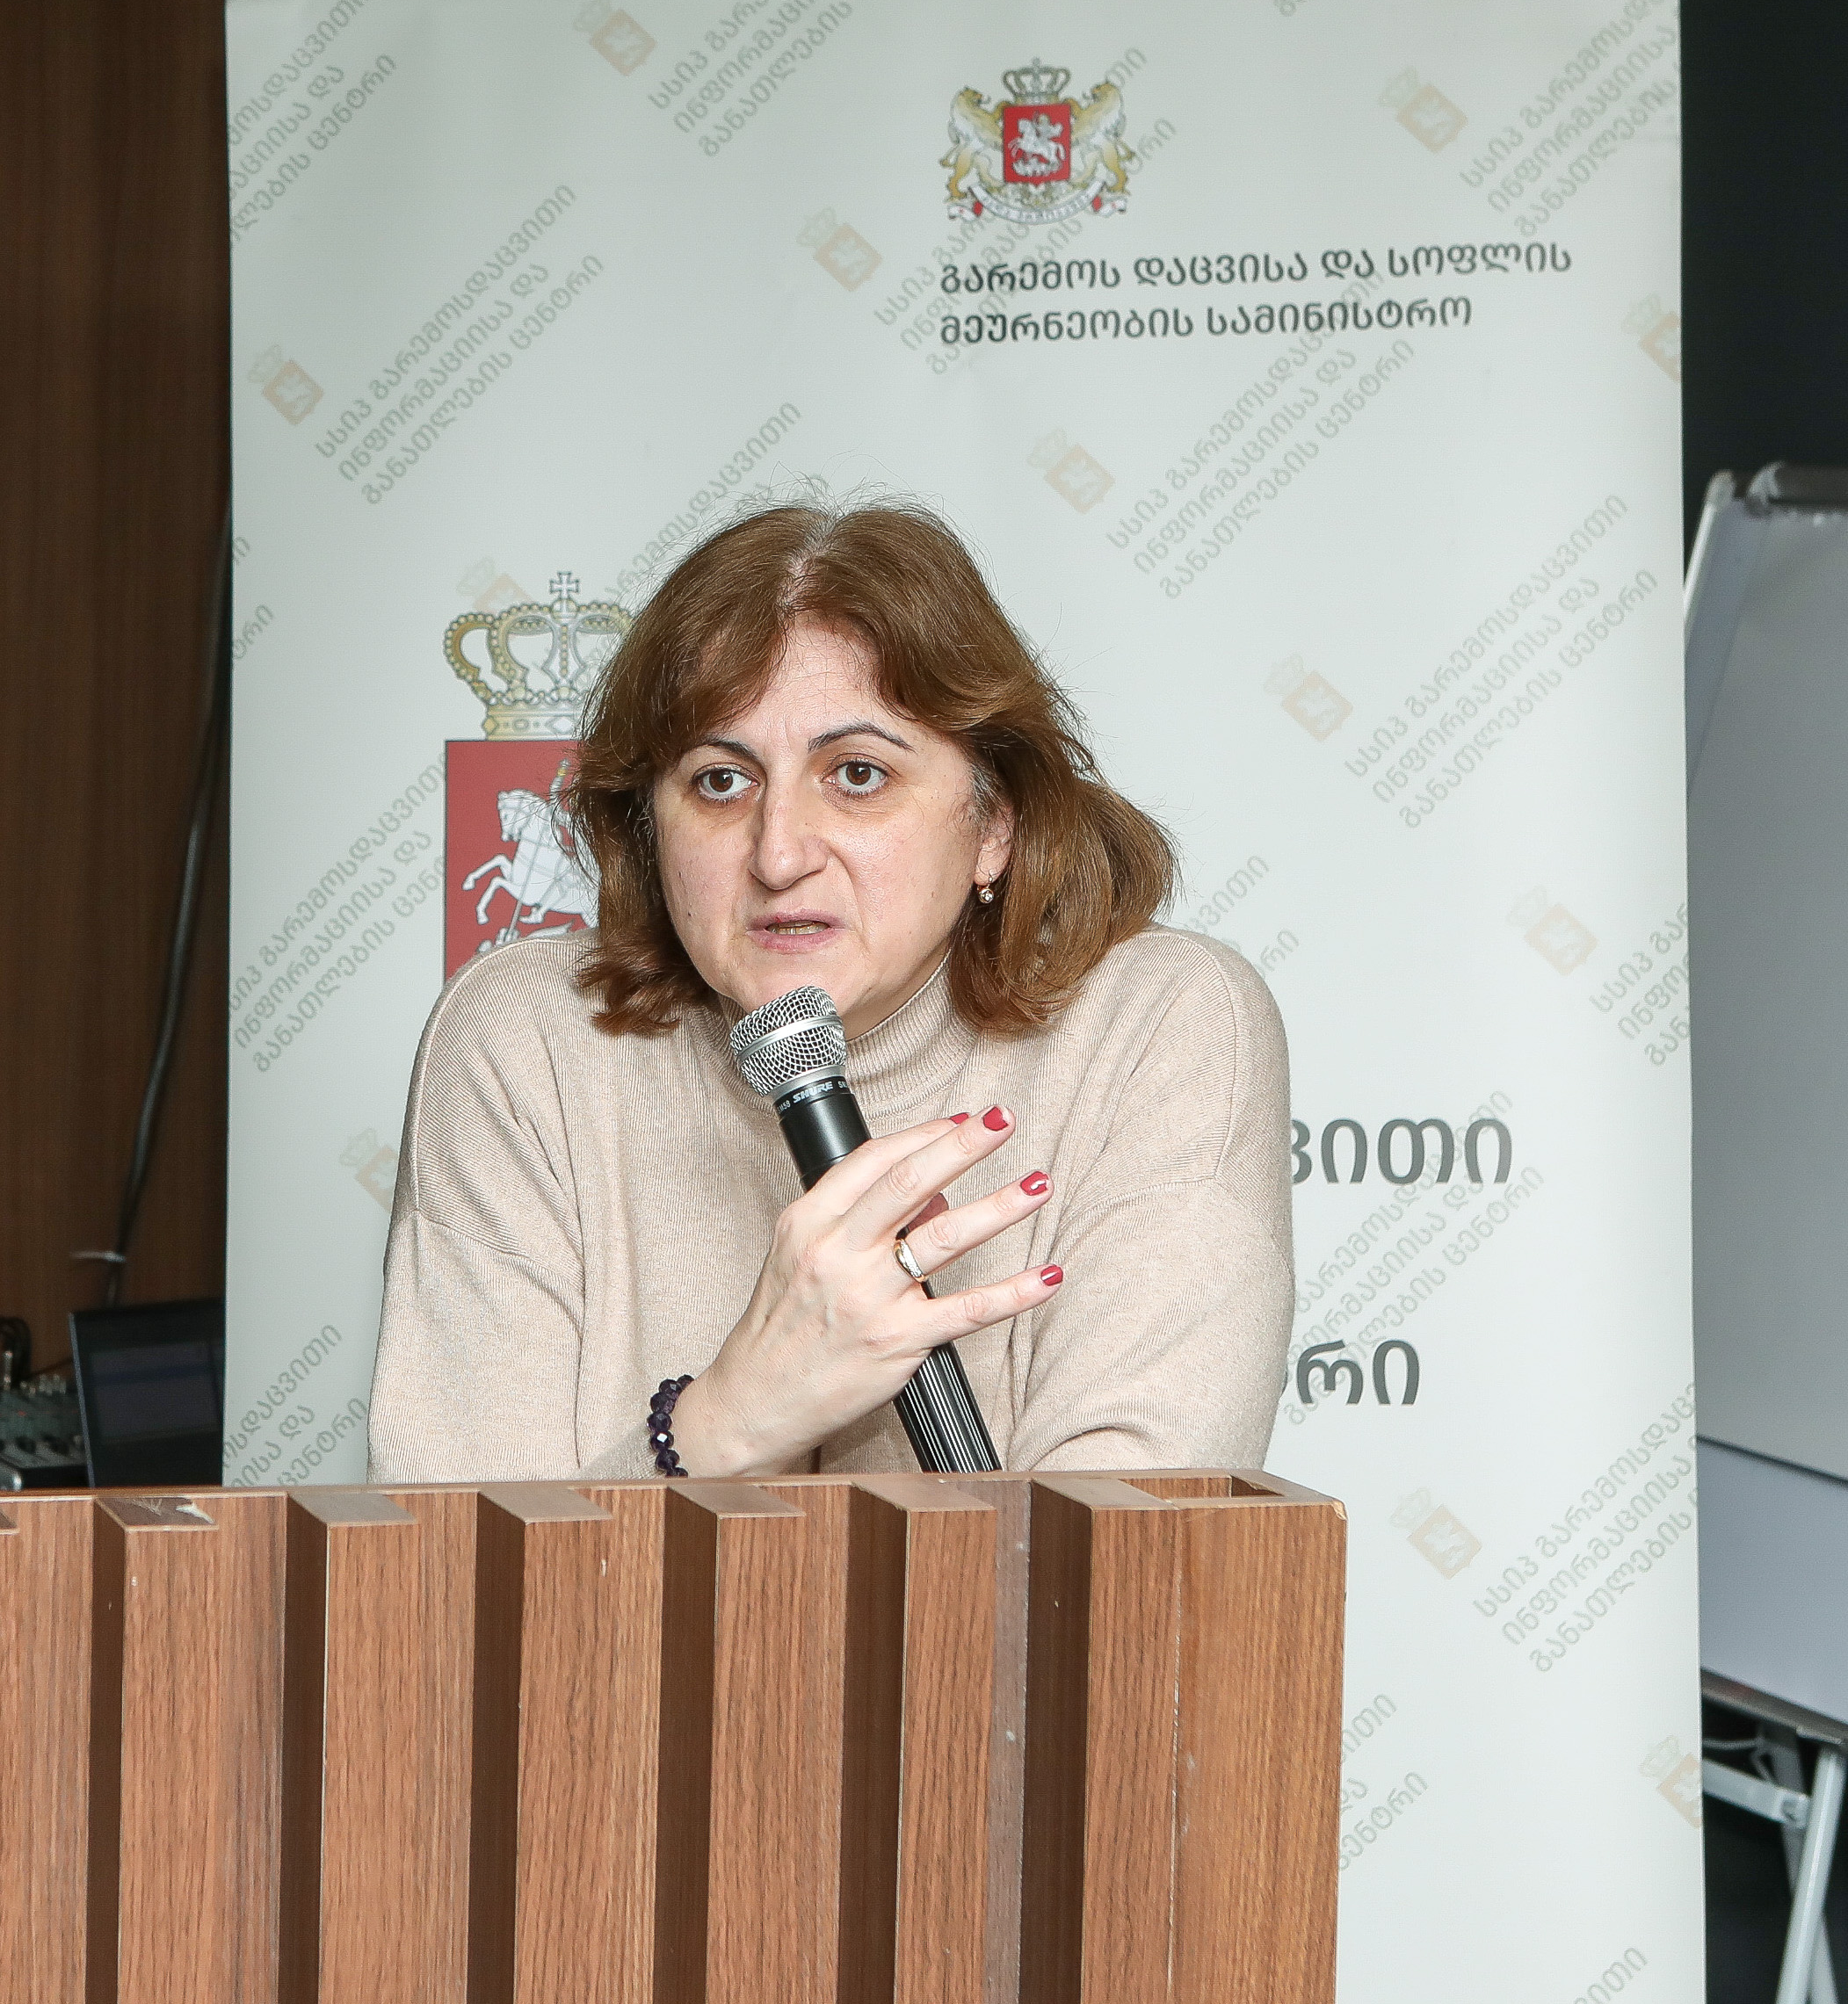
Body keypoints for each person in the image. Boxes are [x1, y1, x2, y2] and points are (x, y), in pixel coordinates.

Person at [367, 501, 1290, 1480]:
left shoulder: (1160, 1024)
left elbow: (1129, 1555)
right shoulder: (525, 1041)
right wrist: (731, 1421)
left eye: (857, 774)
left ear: (995, 824)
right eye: (720, 781)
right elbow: (456, 1559)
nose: (778, 855)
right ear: (648, 823)